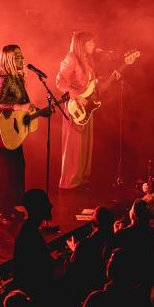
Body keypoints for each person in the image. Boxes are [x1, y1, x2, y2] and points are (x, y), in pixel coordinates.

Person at [56, 31, 120, 190]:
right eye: (90, 43)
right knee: (75, 144)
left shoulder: (88, 60)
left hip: (87, 106)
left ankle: (81, 179)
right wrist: (76, 96)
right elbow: (60, 82)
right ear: (81, 44)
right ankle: (70, 182)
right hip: (75, 106)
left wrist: (111, 78)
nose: (94, 45)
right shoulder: (71, 58)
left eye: (93, 42)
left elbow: (91, 85)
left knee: (85, 143)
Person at [0, 44, 34, 225]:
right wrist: (17, 107)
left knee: (17, 165)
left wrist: (34, 111)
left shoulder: (19, 79)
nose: (22, 59)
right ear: (9, 59)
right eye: (18, 56)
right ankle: (0, 210)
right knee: (2, 168)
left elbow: (25, 104)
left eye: (22, 55)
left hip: (13, 128)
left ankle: (13, 205)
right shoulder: (3, 79)